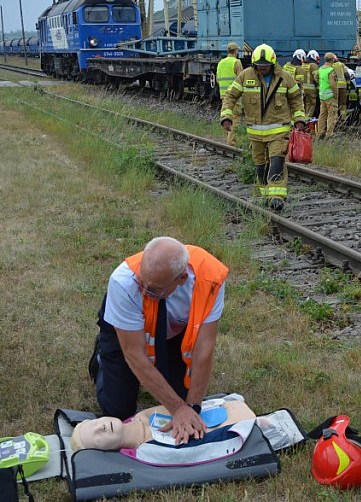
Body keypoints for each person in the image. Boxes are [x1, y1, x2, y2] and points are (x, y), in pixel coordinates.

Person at [89, 238, 229, 445]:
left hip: (173, 333)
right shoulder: (123, 281)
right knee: (118, 411)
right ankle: (104, 353)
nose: (144, 292)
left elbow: (203, 349)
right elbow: (134, 355)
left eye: (153, 289)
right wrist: (177, 408)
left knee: (182, 395)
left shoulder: (210, 279)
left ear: (181, 279)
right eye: (141, 283)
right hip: (127, 334)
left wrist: (191, 408)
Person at [221, 44, 306, 211]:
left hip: (279, 131)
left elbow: (296, 99)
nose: (263, 67)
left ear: (272, 63)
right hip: (255, 133)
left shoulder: (285, 77)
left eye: (266, 65)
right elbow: (230, 96)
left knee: (277, 161)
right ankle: (264, 195)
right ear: (254, 64)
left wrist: (299, 119)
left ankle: (277, 197)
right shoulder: (245, 76)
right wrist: (226, 116)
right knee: (260, 165)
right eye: (260, 65)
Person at [71, 399, 255, 450]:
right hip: (239, 425)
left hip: (218, 408)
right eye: (96, 436)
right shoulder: (146, 449)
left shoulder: (139, 417)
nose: (101, 427)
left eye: (95, 423)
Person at [216, 42, 243, 146]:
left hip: (224, 95)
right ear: (236, 51)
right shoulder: (236, 62)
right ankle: (232, 143)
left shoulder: (221, 63)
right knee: (235, 118)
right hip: (234, 95)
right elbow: (241, 79)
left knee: (227, 117)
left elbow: (218, 79)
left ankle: (228, 139)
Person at [284, 49, 315, 119]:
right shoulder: (300, 69)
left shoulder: (286, 65)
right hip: (294, 93)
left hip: (284, 91)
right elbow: (299, 83)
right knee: (297, 110)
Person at [314, 52, 340, 138]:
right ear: (332, 60)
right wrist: (336, 95)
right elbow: (333, 84)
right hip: (330, 96)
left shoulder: (320, 69)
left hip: (322, 95)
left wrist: (321, 84)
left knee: (322, 114)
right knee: (331, 115)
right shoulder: (331, 70)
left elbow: (316, 77)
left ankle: (320, 132)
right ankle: (329, 134)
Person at [304, 50, 320, 119]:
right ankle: (307, 122)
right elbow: (317, 78)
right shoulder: (313, 65)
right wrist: (320, 88)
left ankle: (303, 120)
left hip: (303, 90)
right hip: (311, 91)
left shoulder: (303, 65)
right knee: (311, 106)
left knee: (305, 106)